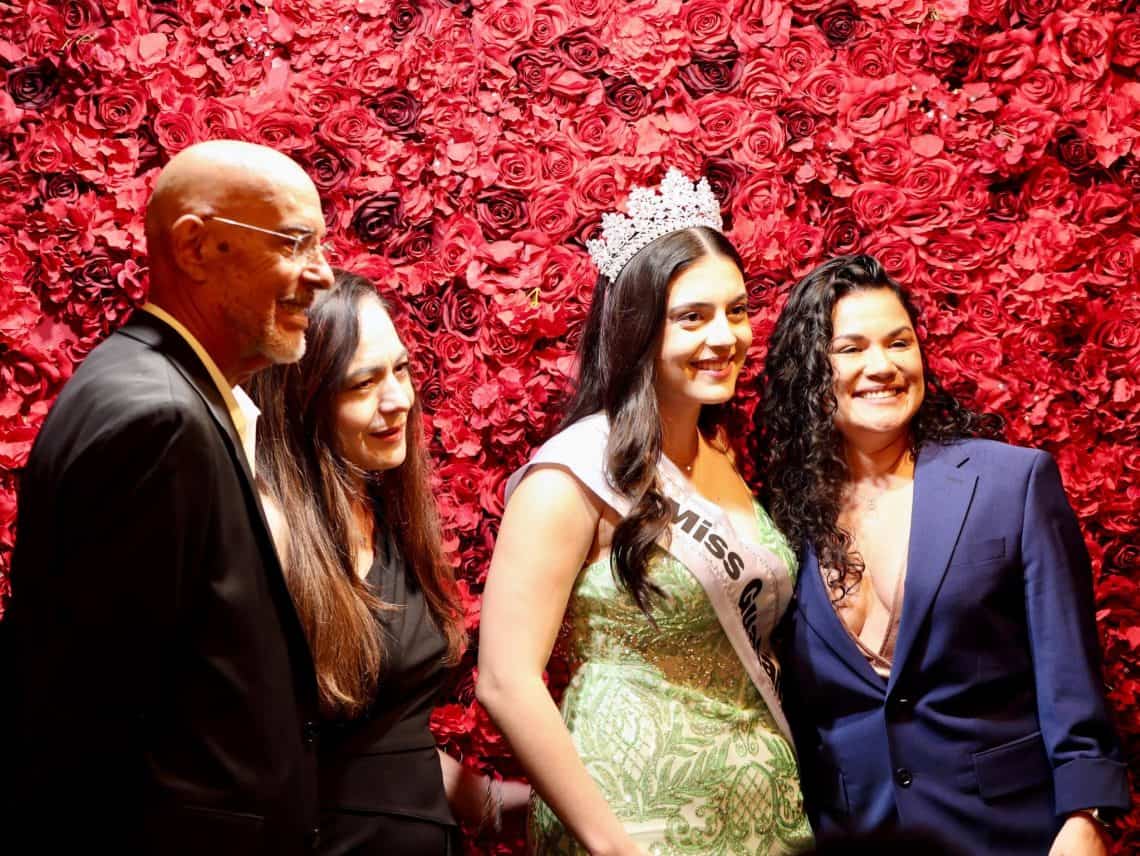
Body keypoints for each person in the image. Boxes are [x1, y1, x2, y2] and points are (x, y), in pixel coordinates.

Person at [2, 140, 335, 853]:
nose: (324, 274)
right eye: (295, 243)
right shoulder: (158, 420)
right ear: (195, 247)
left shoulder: (154, 390)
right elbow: (91, 714)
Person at [477, 168, 813, 856]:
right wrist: (613, 846)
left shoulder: (727, 459)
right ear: (637, 327)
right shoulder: (574, 472)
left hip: (765, 826)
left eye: (737, 310)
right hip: (633, 826)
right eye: (692, 317)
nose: (725, 337)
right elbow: (506, 680)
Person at [759, 254, 1129, 856]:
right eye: (851, 349)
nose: (882, 366)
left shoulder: (1011, 482)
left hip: (1014, 833)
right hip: (859, 836)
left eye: (899, 342)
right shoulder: (774, 520)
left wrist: (1085, 817)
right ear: (809, 372)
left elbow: (1069, 674)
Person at [248, 270, 528, 855]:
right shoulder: (270, 535)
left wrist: (519, 807)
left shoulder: (387, 515)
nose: (398, 399)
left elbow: (390, 750)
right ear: (303, 399)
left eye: (399, 369)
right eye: (362, 383)